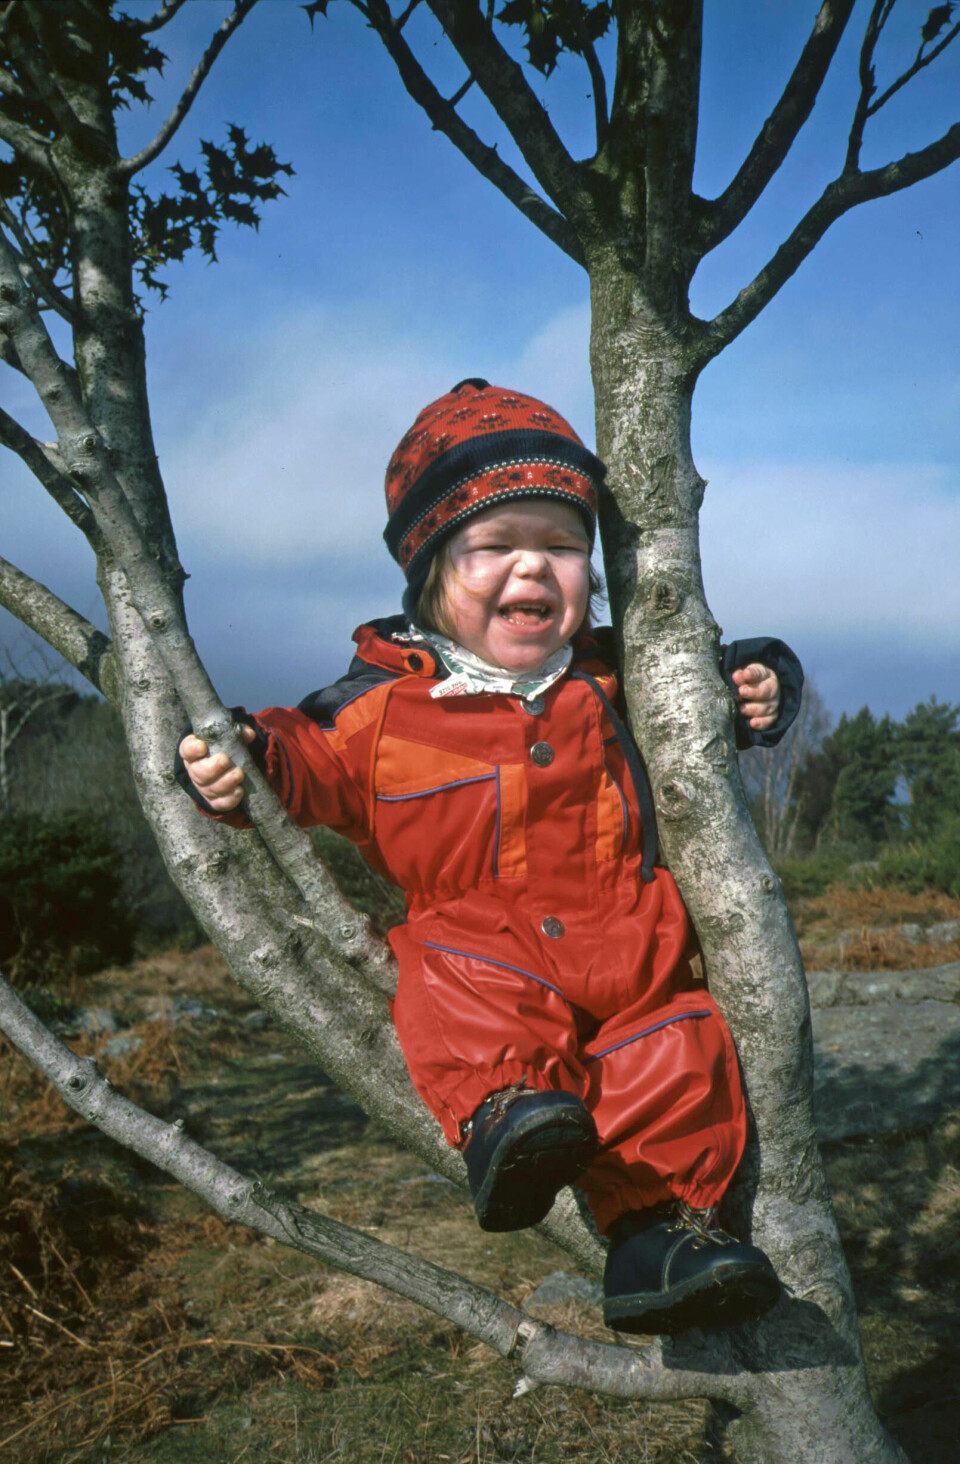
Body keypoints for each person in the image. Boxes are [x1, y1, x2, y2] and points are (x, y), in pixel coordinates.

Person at [177, 379, 803, 1336]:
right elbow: (301, 758)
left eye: (561, 546)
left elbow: (695, 697)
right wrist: (238, 760)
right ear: (431, 573)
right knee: (453, 972)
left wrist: (747, 683)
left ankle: (661, 1237)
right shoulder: (381, 709)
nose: (533, 571)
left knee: (677, 1049)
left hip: (628, 941)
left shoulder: (611, 678)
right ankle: (511, 1115)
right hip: (487, 943)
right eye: (495, 548)